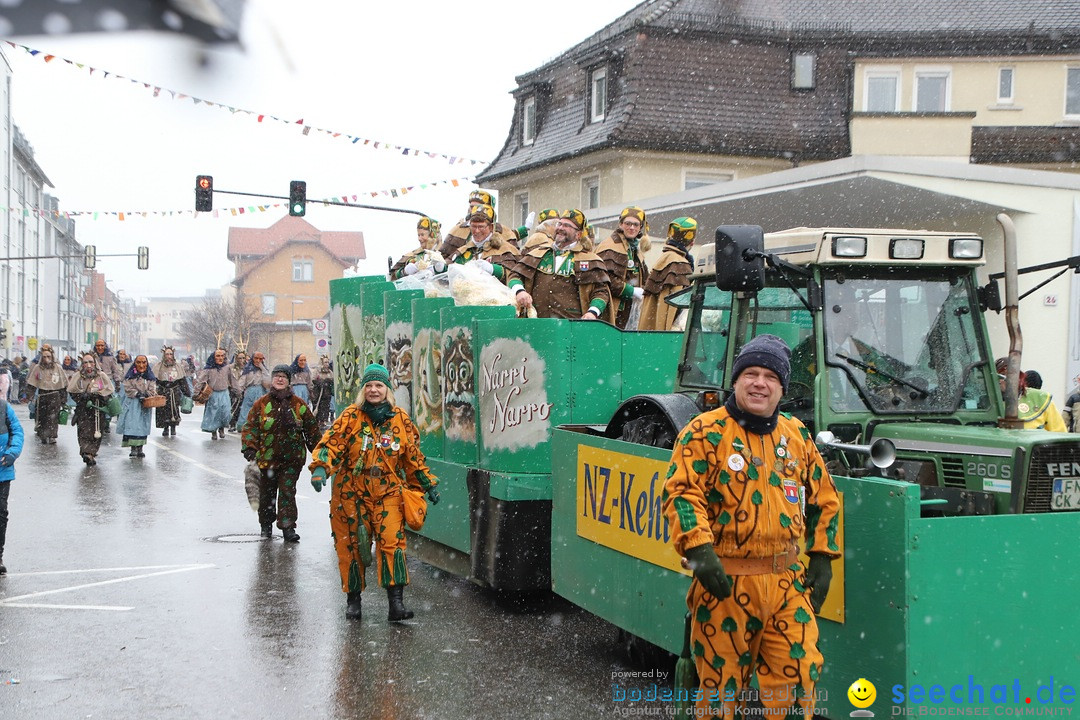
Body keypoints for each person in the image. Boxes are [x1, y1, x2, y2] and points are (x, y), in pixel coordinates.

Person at [662, 334, 841, 717]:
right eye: (751, 374)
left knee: (800, 674)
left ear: (782, 388)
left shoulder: (796, 435)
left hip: (786, 584)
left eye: (770, 377)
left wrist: (823, 556)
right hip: (724, 584)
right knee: (722, 689)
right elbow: (681, 493)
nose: (760, 383)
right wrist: (699, 550)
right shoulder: (703, 432)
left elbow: (826, 498)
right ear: (737, 380)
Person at [308, 363, 440, 621]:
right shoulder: (350, 416)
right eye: (368, 385)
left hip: (388, 493)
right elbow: (331, 445)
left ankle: (396, 605)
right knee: (352, 546)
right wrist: (321, 469)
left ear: (387, 389)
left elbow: (412, 457)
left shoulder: (401, 419)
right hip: (351, 493)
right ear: (363, 390)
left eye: (379, 385)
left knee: (393, 544)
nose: (373, 390)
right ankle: (353, 601)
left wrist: (428, 483)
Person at [240, 364, 321, 542]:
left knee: (287, 492)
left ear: (289, 381)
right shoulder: (261, 404)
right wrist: (250, 448)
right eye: (277, 376)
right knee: (267, 494)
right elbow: (250, 427)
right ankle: (266, 525)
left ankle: (288, 527)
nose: (280, 379)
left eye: (283, 376)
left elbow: (312, 431)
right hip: (266, 460)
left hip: (292, 460)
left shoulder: (298, 405)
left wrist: (319, 453)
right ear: (272, 379)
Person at [507, 209, 614, 321]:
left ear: (578, 234)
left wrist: (593, 312)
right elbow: (514, 275)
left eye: (567, 225)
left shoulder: (591, 260)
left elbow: (601, 292)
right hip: (537, 325)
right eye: (560, 224)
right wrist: (520, 291)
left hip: (572, 328)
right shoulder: (538, 254)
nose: (561, 228)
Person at [597, 206, 651, 329]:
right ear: (621, 224)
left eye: (636, 225)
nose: (632, 227)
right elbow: (605, 279)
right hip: (613, 309)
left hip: (631, 309)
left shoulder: (635, 249)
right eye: (628, 223)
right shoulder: (609, 246)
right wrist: (631, 291)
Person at [639, 217, 697, 331]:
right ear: (692, 242)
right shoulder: (680, 263)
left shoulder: (665, 258)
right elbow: (676, 311)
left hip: (651, 332)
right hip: (666, 335)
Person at [436, 203, 520, 282]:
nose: (476, 231)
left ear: (491, 227)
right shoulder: (464, 250)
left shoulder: (505, 248)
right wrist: (439, 267)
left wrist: (493, 269)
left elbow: (514, 275)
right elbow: (449, 269)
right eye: (473, 226)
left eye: (481, 227)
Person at [67, 353, 115, 466]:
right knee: (83, 431)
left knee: (97, 431)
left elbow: (108, 391)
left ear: (95, 363)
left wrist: (100, 396)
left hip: (98, 409)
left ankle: (92, 453)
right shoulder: (77, 376)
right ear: (82, 364)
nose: (88, 365)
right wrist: (82, 397)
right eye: (85, 363)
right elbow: (73, 391)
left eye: (90, 362)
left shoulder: (101, 376)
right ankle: (86, 452)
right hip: (83, 409)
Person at [995, 358, 1066, 431]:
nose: (1006, 379)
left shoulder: (1040, 399)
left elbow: (1060, 433)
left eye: (1012, 374)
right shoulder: (988, 404)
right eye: (1002, 375)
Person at [441, 189, 519, 249]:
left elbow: (513, 259)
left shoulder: (504, 231)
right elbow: (444, 257)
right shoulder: (457, 230)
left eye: (478, 207)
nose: (474, 211)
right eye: (472, 207)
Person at [115, 355, 158, 458]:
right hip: (132, 404)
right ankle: (133, 447)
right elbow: (127, 388)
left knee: (142, 426)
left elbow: (153, 389)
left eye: (144, 362)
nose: (141, 365)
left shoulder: (150, 376)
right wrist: (137, 394)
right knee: (133, 425)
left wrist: (147, 394)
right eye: (138, 362)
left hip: (144, 405)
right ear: (135, 363)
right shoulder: (130, 376)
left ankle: (140, 447)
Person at [0, 394, 24, 575]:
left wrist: (12, 453)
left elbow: (17, 431)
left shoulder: (3, 408)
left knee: (0, 515)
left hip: (2, 471)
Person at [25, 347, 68, 444]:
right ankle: (43, 434)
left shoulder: (58, 368)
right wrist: (29, 395)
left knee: (53, 417)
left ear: (52, 357)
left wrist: (63, 398)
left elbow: (63, 384)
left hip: (54, 395)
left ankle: (52, 436)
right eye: (44, 357)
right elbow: (32, 383)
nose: (46, 359)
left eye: (48, 356)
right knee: (41, 416)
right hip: (42, 395)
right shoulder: (38, 368)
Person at [195, 349, 238, 440]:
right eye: (218, 356)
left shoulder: (227, 368)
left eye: (222, 356)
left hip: (224, 393)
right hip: (213, 394)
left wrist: (237, 390)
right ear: (213, 357)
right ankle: (213, 430)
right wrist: (196, 392)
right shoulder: (209, 369)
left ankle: (221, 428)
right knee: (213, 413)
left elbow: (232, 379)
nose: (220, 358)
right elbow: (201, 381)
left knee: (225, 412)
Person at [153, 346, 191, 437]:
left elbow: (182, 380)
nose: (169, 356)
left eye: (170, 354)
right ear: (164, 355)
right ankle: (165, 427)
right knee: (163, 410)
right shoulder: (159, 366)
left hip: (174, 391)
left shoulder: (178, 367)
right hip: (163, 391)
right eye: (167, 354)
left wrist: (187, 392)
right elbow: (154, 379)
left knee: (174, 409)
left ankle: (173, 426)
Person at [389, 216, 443, 280]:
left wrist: (440, 269)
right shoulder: (414, 254)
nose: (419, 239)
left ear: (432, 235)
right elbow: (392, 277)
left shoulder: (445, 252)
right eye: (418, 235)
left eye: (422, 235)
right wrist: (405, 272)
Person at [237, 352, 271, 434]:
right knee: (246, 409)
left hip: (261, 391)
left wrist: (262, 368)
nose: (258, 361)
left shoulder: (264, 369)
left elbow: (268, 380)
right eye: (256, 358)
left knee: (260, 410)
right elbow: (242, 381)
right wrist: (239, 391)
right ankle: (243, 426)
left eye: (260, 359)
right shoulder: (248, 369)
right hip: (250, 391)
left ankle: (260, 426)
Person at [312, 355, 335, 428]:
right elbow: (313, 379)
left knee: (325, 407)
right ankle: (317, 420)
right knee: (318, 406)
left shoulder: (329, 372)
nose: (327, 364)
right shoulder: (317, 371)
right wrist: (319, 382)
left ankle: (323, 420)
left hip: (326, 393)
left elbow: (332, 379)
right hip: (318, 393)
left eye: (328, 362)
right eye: (325, 362)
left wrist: (328, 382)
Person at [228, 350, 248, 432]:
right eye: (240, 358)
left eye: (243, 358)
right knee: (234, 407)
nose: (242, 360)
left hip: (244, 390)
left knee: (242, 407)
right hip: (234, 390)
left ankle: (241, 423)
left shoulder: (248, 367)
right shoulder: (231, 367)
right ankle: (232, 423)